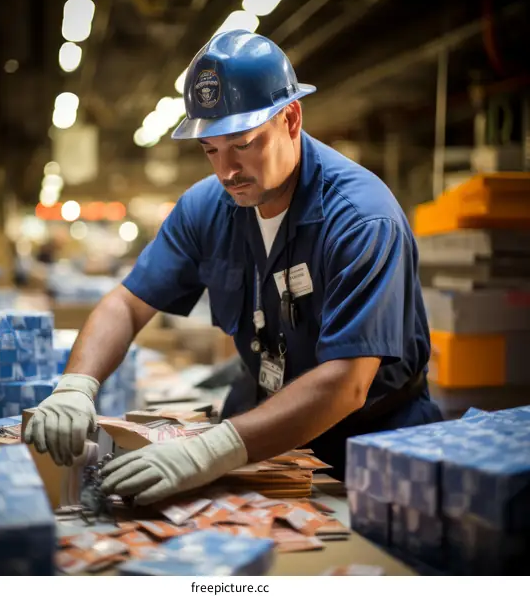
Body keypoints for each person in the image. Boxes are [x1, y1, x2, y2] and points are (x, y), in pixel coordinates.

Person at [24, 30, 443, 505]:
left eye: (243, 144)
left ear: (290, 118)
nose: (227, 171)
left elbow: (348, 382)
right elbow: (127, 303)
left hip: (369, 443)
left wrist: (211, 451)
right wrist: (77, 386)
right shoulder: (207, 208)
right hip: (265, 433)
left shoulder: (361, 219)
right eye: (211, 150)